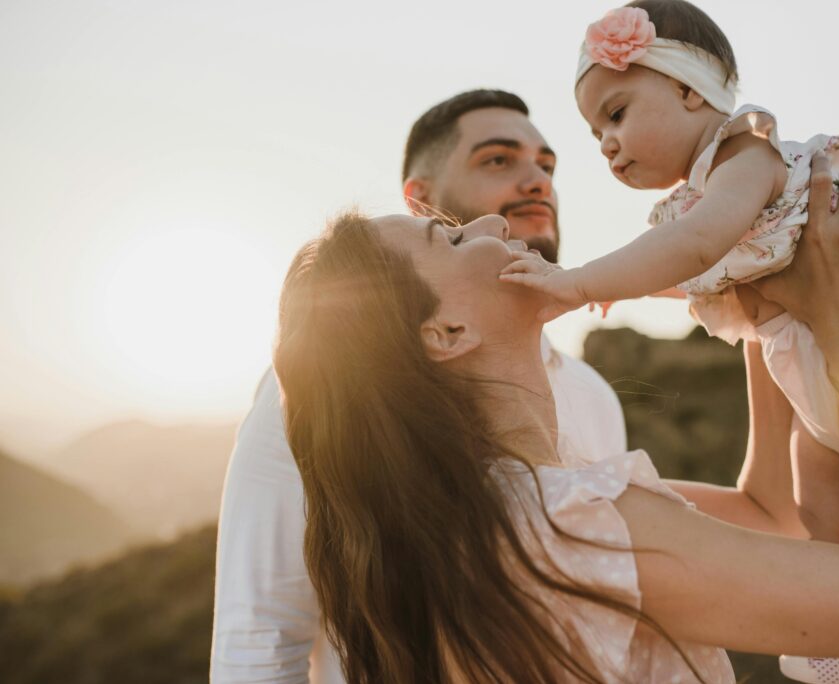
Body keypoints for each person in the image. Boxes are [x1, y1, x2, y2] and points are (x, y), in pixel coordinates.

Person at [271, 155, 839, 684]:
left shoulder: (508, 513)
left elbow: (772, 510)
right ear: (446, 334)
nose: (490, 219)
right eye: (453, 240)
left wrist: (762, 284)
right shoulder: (569, 524)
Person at [499, 4, 839, 681]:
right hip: (817, 363)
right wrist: (621, 281)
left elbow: (695, 247)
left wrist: (578, 284)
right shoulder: (699, 200)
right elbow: (694, 265)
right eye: (595, 134)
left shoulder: (746, 154)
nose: (606, 144)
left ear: (688, 89)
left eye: (615, 114)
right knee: (824, 513)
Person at [210, 90, 627, 683]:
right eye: (498, 161)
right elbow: (257, 641)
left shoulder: (592, 394)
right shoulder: (321, 398)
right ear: (420, 201)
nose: (536, 180)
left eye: (547, 165)